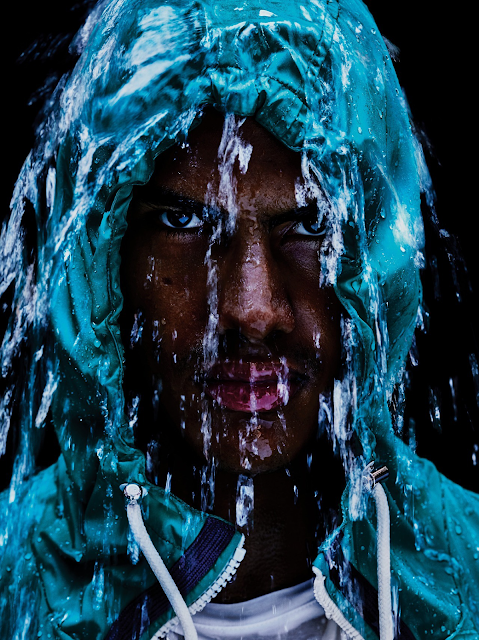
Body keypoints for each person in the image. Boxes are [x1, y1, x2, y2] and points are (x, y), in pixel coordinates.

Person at [0, 0, 478, 639]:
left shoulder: (467, 574)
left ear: (375, 257)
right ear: (101, 260)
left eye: (311, 225)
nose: (253, 309)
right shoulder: (14, 586)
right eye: (184, 221)